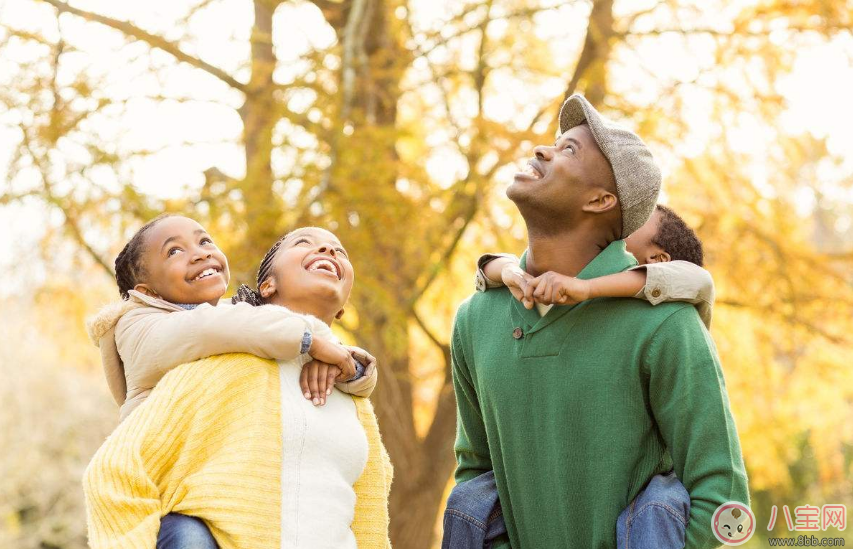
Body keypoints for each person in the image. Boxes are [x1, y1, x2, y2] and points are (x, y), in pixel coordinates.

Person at [448, 94, 749, 549]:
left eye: (570, 150)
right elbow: (477, 476)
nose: (542, 151)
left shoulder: (664, 323)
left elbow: (722, 495)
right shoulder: (476, 320)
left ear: (601, 199)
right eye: (554, 142)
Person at [83, 227, 393, 549]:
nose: (328, 252)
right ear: (267, 286)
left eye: (338, 250)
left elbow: (370, 515)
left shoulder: (352, 398)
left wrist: (344, 362)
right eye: (304, 243)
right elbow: (116, 471)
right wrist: (311, 342)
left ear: (344, 305)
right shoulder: (217, 353)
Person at [475, 203, 714, 327]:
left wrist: (587, 288)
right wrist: (508, 269)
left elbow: (699, 279)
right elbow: (493, 272)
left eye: (636, 221)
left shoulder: (675, 316)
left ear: (659, 260)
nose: (621, 221)